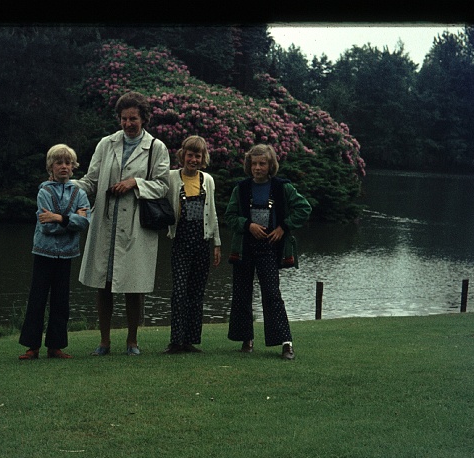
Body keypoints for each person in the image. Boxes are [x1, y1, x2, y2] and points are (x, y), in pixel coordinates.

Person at [72, 91, 170, 355]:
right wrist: (66, 186)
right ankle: (104, 342)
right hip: (106, 222)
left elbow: (162, 186)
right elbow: (91, 181)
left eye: (134, 119)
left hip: (136, 226)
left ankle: (132, 341)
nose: (128, 124)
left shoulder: (156, 148)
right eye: (124, 119)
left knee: (134, 285)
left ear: (144, 119)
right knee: (103, 283)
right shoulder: (107, 144)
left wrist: (134, 183)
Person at [224, 144, 312, 360]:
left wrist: (284, 226)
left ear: (271, 165)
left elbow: (304, 208)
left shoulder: (283, 187)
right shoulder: (241, 188)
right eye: (253, 163)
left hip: (271, 249)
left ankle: (286, 343)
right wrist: (248, 226)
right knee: (242, 293)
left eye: (262, 163)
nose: (257, 167)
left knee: (272, 295)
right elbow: (230, 216)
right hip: (245, 247)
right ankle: (247, 339)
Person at [18, 144, 91, 360]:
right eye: (59, 162)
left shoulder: (79, 192)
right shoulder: (44, 191)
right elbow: (46, 226)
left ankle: (55, 346)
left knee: (61, 300)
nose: (64, 167)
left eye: (68, 163)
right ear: (51, 166)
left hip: (67, 254)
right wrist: (72, 219)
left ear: (73, 167)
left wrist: (59, 217)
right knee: (37, 299)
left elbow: (85, 222)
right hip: (44, 252)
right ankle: (32, 347)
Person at [163, 136, 221, 354]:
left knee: (196, 294)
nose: (193, 159)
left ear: (203, 157)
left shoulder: (208, 180)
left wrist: (217, 243)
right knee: (179, 292)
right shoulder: (170, 178)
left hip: (202, 244)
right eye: (190, 154)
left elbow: (212, 213)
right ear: (182, 155)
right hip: (180, 243)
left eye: (198, 155)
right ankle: (175, 341)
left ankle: (190, 341)